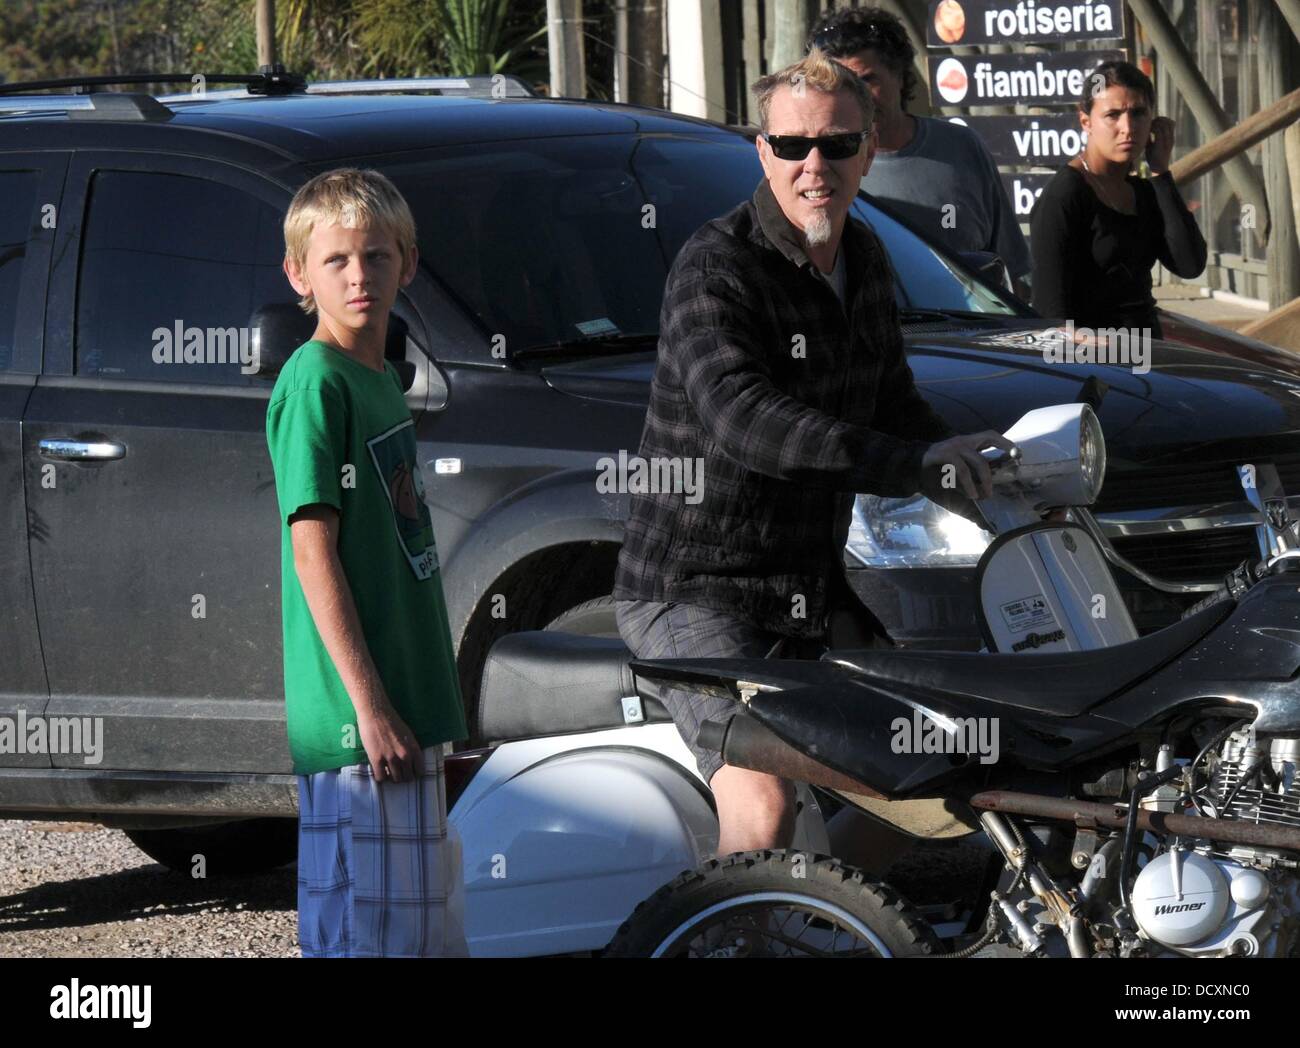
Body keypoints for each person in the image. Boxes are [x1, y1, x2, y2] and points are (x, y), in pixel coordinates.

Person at [612, 49, 1013, 856]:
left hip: (807, 589)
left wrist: (970, 460)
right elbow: (748, 425)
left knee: (942, 769)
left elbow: (891, 400)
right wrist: (913, 466)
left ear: (870, 149)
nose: (814, 165)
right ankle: (721, 938)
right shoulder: (716, 266)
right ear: (762, 151)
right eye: (792, 146)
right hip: (697, 596)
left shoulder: (864, 258)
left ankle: (829, 925)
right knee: (761, 808)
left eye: (836, 144)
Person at [267, 168, 469, 957]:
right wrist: (370, 705)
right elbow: (311, 549)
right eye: (337, 260)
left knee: (417, 936)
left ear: (407, 264)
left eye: (377, 257)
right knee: (369, 939)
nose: (360, 276)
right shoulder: (314, 382)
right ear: (299, 275)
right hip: (362, 729)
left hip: (403, 712)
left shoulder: (378, 375)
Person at [810, 6, 1032, 297]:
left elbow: (1011, 276)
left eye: (867, 80)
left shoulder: (962, 148)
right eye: (839, 84)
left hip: (965, 337)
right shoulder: (816, 166)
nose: (854, 97)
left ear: (901, 76)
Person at [1031, 60, 1206, 338]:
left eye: (1138, 113)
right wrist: (1112, 352)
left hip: (1149, 359)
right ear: (1086, 122)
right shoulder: (1064, 196)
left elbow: (1189, 264)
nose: (1128, 127)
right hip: (1094, 365)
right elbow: (1050, 320)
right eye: (1112, 115)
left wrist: (1161, 172)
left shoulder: (1143, 191)